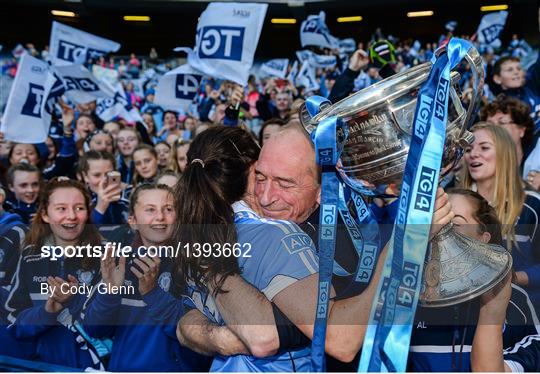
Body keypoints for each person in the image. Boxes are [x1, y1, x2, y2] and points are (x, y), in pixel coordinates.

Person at [176, 126, 453, 369]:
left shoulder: (346, 232)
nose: (266, 196)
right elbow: (172, 310)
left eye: (285, 184)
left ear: (324, 190)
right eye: (260, 178)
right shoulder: (238, 232)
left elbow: (337, 341)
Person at [408, 188, 540, 372]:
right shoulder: (409, 298)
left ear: (483, 238)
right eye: (436, 222)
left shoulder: (515, 300)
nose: (440, 230)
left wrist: (492, 311)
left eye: (454, 223)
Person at [80, 183, 208, 371]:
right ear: (133, 221)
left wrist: (153, 294)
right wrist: (110, 293)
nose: (160, 217)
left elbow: (203, 335)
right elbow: (95, 330)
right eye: (150, 210)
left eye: (168, 209)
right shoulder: (117, 264)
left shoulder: (196, 264)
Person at [4, 178, 105, 369]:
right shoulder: (30, 256)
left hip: (92, 365)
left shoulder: (106, 255)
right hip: (42, 365)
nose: (71, 216)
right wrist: (47, 311)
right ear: (45, 214)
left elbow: (110, 325)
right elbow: (14, 320)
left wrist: (73, 301)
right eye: (61, 208)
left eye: (79, 208)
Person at [461, 122, 540, 313]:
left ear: (505, 154)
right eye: (468, 149)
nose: (474, 154)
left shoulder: (532, 206)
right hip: (462, 320)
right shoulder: (451, 202)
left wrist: (513, 278)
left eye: (484, 147)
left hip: (519, 318)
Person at [78, 150, 129, 225]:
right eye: (97, 175)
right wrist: (100, 208)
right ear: (85, 176)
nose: (103, 180)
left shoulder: (128, 195)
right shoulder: (78, 201)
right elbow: (84, 233)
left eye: (109, 174)